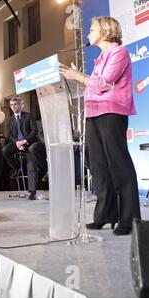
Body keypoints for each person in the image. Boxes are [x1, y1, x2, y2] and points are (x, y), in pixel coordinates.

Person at [60, 16, 141, 235]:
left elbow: (105, 83)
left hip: (112, 112)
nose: (88, 33)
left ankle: (129, 219)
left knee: (118, 163)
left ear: (105, 31)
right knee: (98, 166)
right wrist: (77, 78)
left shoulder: (119, 53)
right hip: (93, 114)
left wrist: (79, 76)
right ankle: (105, 214)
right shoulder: (100, 59)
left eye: (92, 29)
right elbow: (91, 86)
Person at [2, 96, 46, 200]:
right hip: (17, 143)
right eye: (11, 105)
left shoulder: (28, 116)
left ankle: (32, 192)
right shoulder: (10, 120)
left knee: (31, 164)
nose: (13, 107)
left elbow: (34, 131)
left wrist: (24, 141)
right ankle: (17, 167)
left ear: (21, 105)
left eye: (15, 104)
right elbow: (9, 135)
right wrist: (17, 143)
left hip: (29, 142)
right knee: (5, 150)